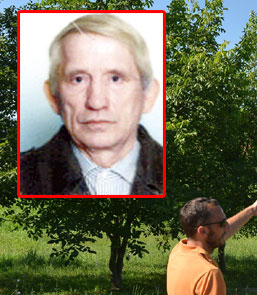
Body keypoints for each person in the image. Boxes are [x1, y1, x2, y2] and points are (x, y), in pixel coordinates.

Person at [20, 13, 162, 195]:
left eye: (115, 78)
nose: (96, 102)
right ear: (53, 97)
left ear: (148, 95)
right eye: (78, 79)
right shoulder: (19, 177)